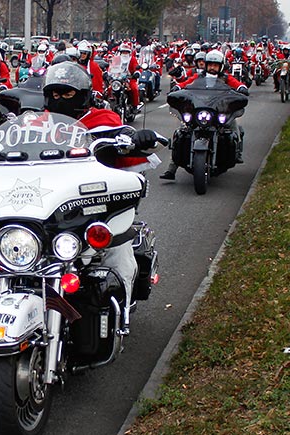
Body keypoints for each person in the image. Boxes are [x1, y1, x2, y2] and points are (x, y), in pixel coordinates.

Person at [42, 61, 162, 332]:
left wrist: (134, 138)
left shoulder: (103, 120)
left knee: (119, 258)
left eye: (67, 93)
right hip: (48, 208)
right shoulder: (40, 124)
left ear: (83, 94)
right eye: (55, 94)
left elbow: (124, 135)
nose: (59, 99)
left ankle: (119, 320)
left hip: (95, 207)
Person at [161, 50, 248, 180]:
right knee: (182, 130)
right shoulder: (199, 77)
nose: (212, 68)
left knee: (233, 124)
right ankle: (172, 168)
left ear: (221, 66)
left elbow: (237, 83)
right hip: (199, 110)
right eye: (210, 65)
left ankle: (237, 152)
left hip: (218, 110)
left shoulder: (225, 77)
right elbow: (187, 83)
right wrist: (178, 87)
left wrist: (242, 87)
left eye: (215, 65)